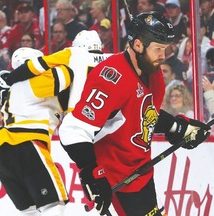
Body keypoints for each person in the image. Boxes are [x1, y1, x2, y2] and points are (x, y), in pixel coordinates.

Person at [57, 11, 211, 216]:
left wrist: (178, 127)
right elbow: (72, 129)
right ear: (138, 45)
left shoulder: (152, 71)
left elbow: (145, 114)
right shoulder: (112, 77)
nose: (162, 56)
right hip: (116, 178)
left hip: (140, 171)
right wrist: (92, 175)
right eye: (158, 48)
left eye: (164, 49)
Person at [0, 47, 73, 216]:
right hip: (26, 145)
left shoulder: (9, 88)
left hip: (2, 151)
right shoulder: (35, 83)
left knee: (30, 211)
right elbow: (68, 73)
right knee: (53, 204)